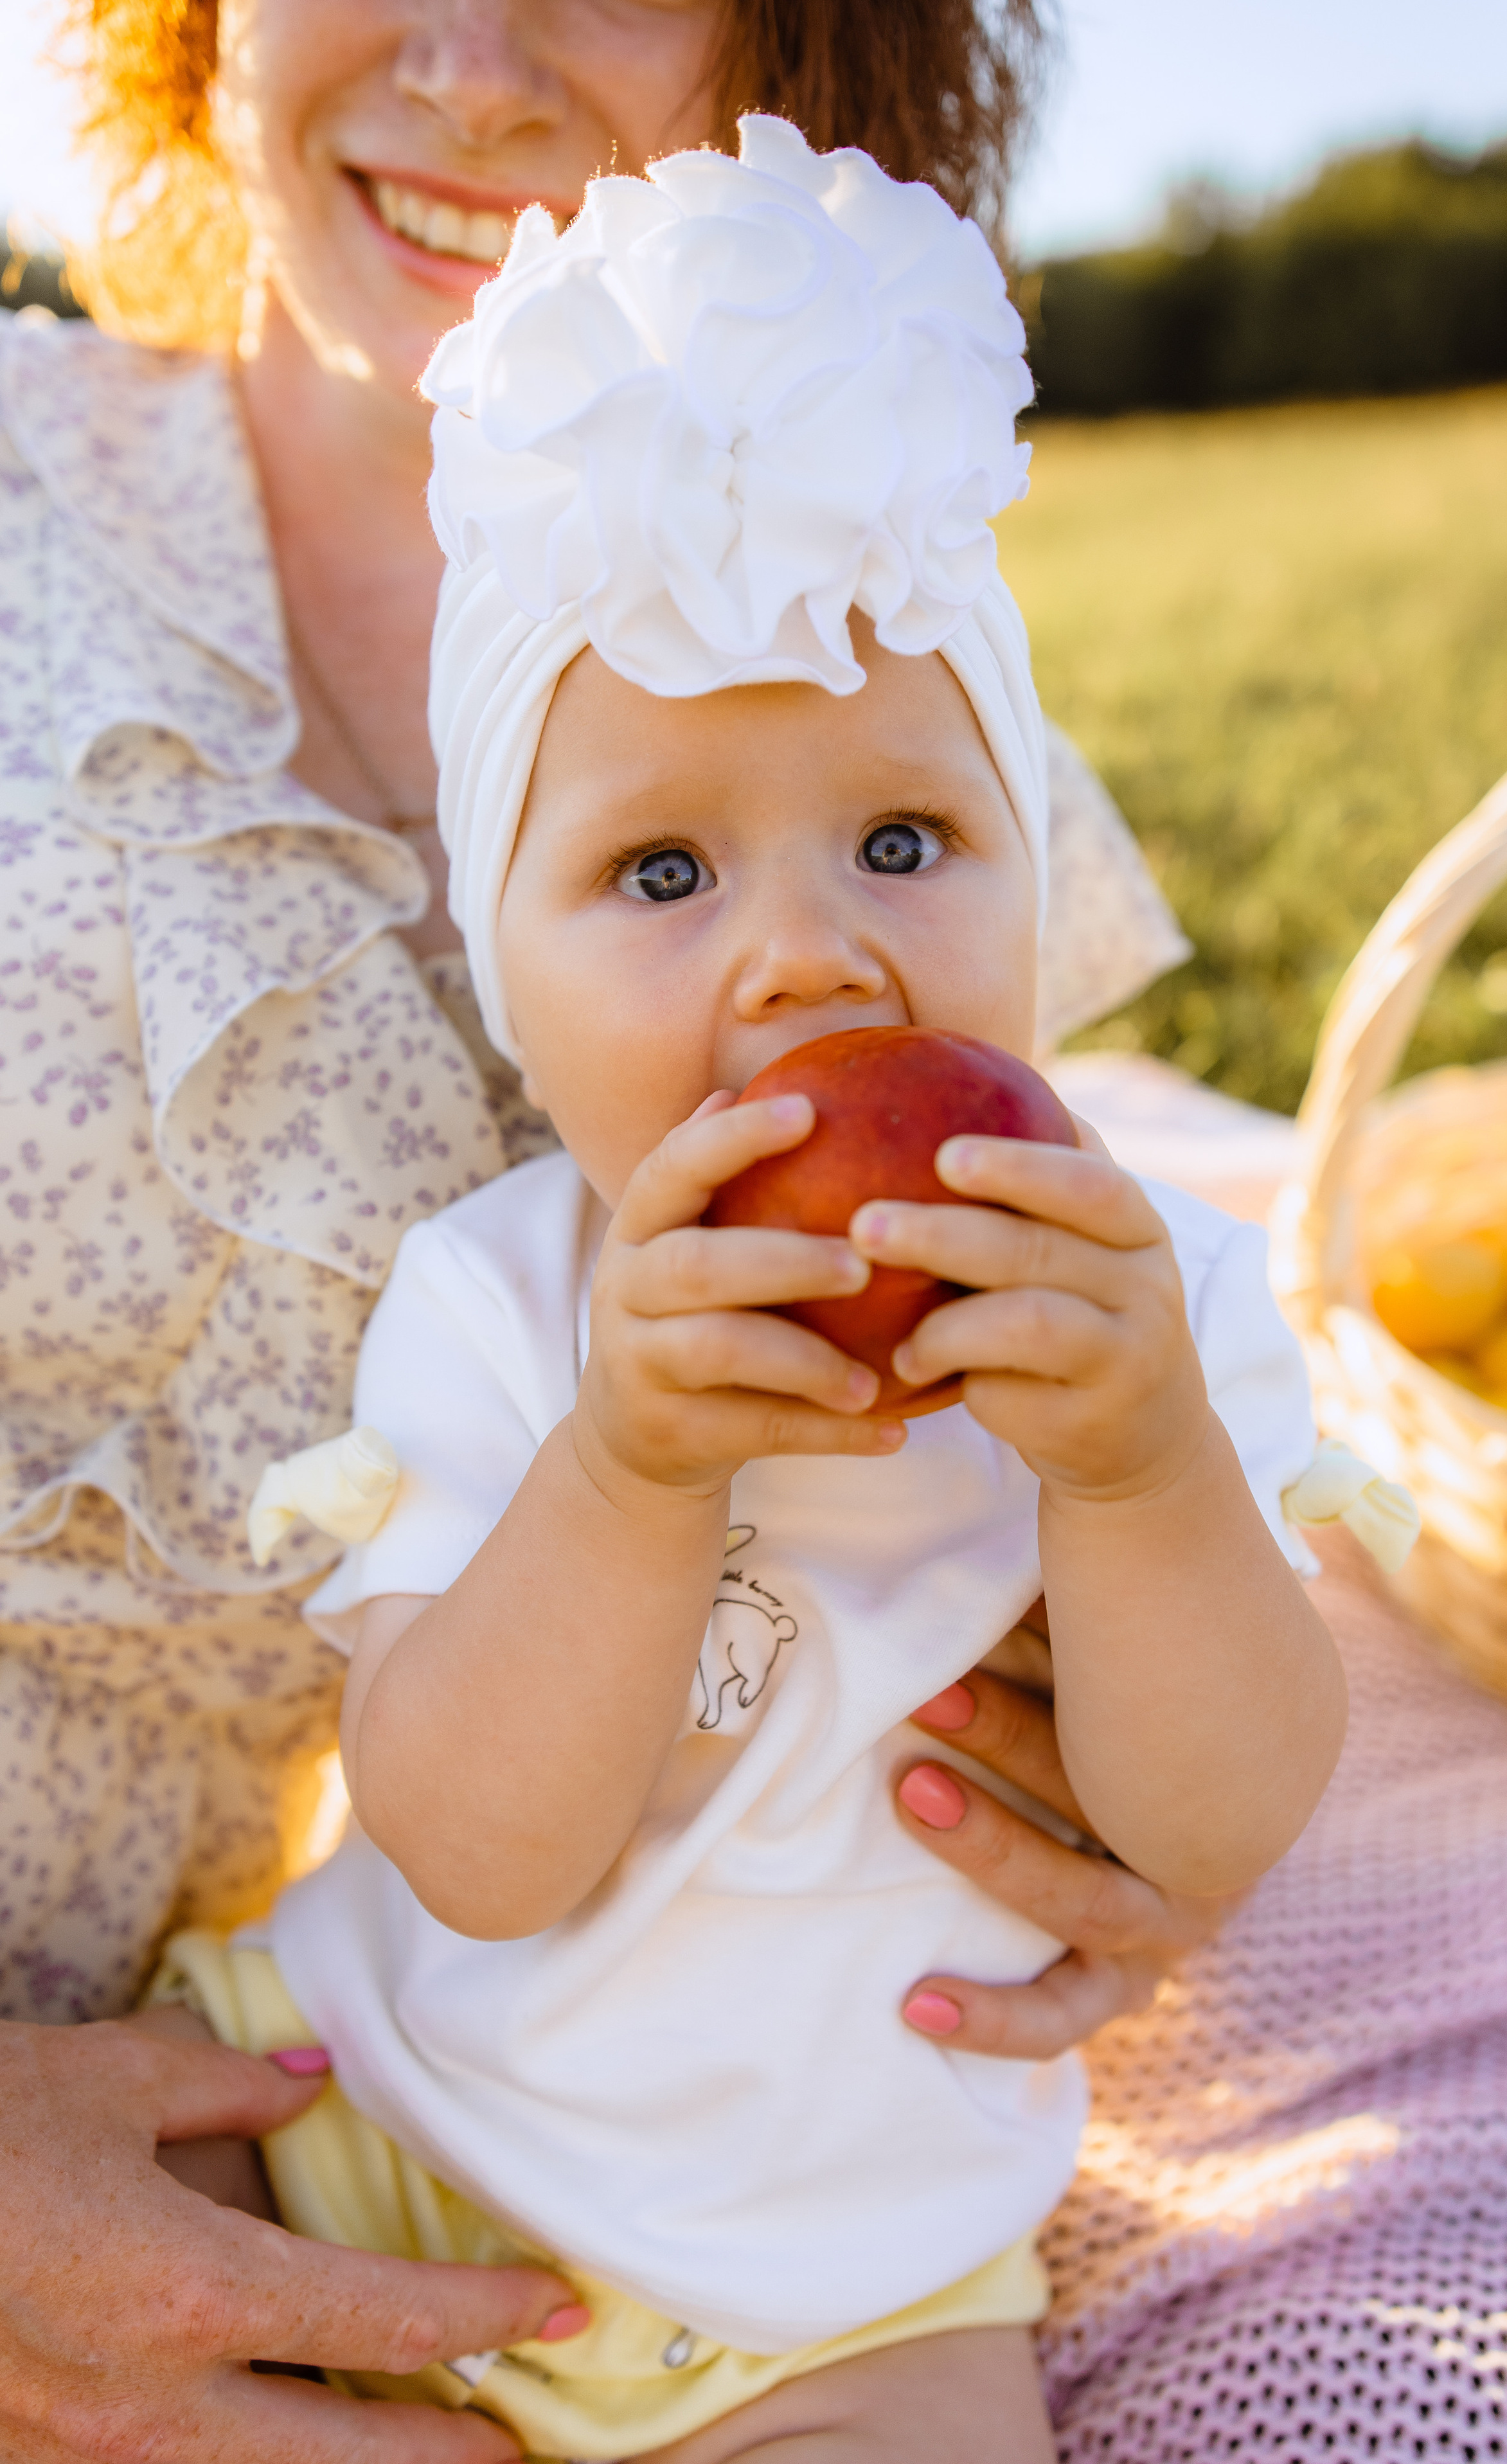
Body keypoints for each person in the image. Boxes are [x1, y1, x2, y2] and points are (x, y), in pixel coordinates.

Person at [0, 8, 1197, 2460]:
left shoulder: (909, 659)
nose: (464, 58)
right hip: (298, 2111)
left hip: (386, 2140)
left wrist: (1141, 1751)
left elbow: (1139, 1283)